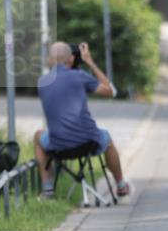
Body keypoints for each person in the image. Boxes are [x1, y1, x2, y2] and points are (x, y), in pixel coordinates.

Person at [34, 41, 130, 199]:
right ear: (71, 59)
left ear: (50, 60)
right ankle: (121, 185)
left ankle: (48, 189)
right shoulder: (80, 77)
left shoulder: (42, 82)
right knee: (107, 139)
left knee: (38, 136)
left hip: (58, 145)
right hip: (88, 142)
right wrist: (89, 62)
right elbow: (111, 91)